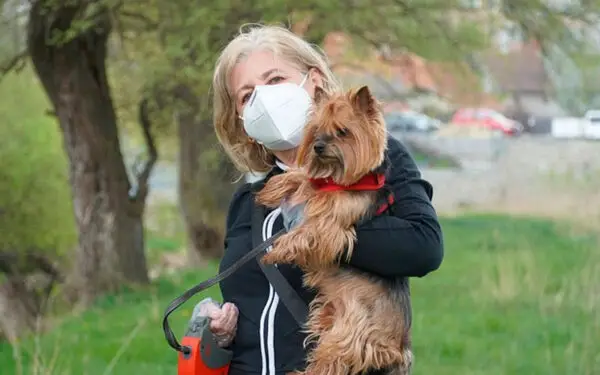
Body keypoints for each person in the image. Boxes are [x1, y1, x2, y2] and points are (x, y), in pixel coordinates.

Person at [201, 24, 444, 375]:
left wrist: (320, 231)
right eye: (246, 95)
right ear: (241, 118)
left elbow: (424, 247)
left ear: (312, 80)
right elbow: (251, 303)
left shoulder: (380, 164)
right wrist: (221, 333)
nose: (263, 99)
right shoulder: (248, 198)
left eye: (274, 80)